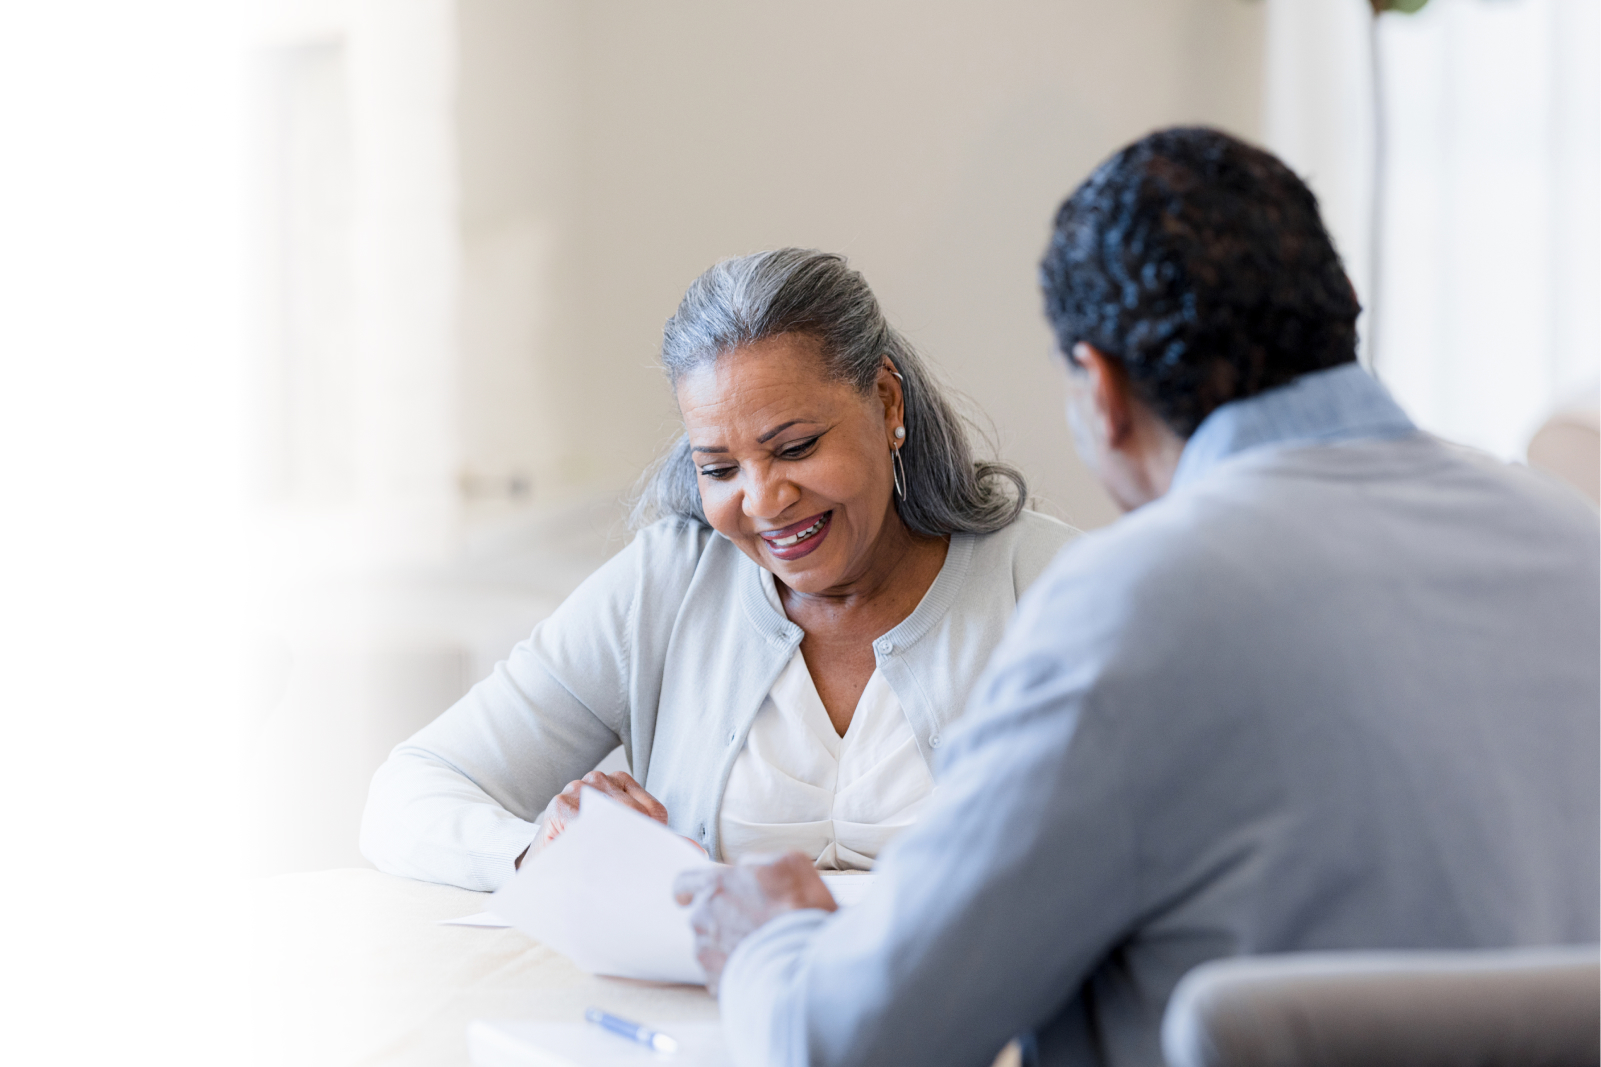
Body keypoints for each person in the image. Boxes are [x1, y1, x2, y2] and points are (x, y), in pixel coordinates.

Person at [674, 128, 1601, 1067]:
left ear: (1102, 390)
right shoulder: (1576, 541)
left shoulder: (1131, 605)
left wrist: (768, 941)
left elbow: (849, 1042)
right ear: (1343, 311)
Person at [360, 249, 1076, 891]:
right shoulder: (667, 584)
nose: (763, 499)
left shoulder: (1057, 586)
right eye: (719, 467)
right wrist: (536, 854)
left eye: (794, 447)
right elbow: (408, 793)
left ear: (887, 401)